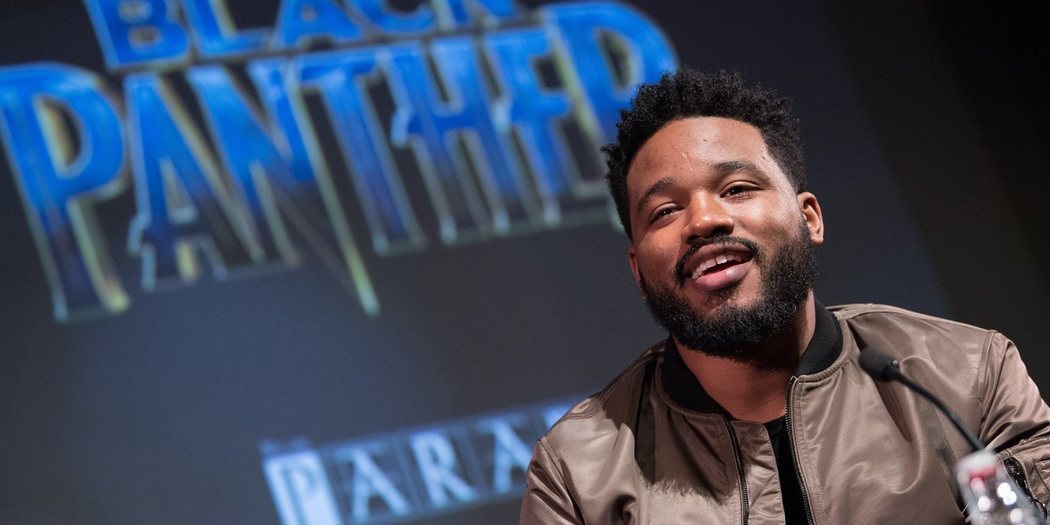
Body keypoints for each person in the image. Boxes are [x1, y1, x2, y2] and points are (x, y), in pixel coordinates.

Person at [518, 68, 1050, 524]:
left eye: (736, 189)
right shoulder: (576, 473)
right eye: (665, 211)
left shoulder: (967, 375)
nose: (704, 220)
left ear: (808, 218)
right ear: (637, 270)